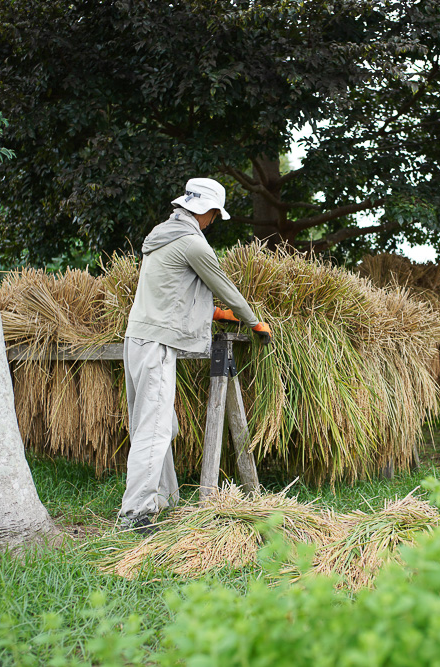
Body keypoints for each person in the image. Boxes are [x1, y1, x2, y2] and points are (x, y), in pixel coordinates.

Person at [118, 177, 271, 532]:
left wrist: (211, 313)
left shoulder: (163, 235)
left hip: (139, 338)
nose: (213, 221)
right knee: (154, 431)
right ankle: (134, 515)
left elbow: (169, 289)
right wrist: (254, 321)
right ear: (206, 211)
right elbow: (225, 286)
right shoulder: (192, 244)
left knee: (160, 426)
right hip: (155, 344)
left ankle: (163, 501)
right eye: (214, 214)